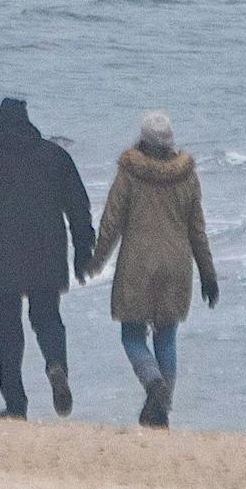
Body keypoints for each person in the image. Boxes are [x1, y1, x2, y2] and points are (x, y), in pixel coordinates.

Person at [0, 97, 94, 421]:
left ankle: (16, 404)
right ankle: (56, 364)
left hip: (1, 254)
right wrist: (83, 251)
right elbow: (79, 207)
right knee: (47, 317)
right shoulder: (54, 156)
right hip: (48, 250)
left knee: (7, 327)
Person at [87, 111, 218, 430]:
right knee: (166, 336)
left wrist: (95, 261)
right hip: (177, 265)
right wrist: (208, 274)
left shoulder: (130, 172)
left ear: (142, 139)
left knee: (132, 335)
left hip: (138, 264)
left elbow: (111, 222)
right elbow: (197, 231)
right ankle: (161, 412)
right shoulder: (186, 175)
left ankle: (153, 384)